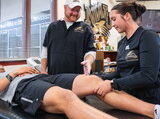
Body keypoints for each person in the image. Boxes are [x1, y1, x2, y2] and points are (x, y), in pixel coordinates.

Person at [0, 65, 160, 118]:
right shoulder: (10, 73)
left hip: (42, 77)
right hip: (20, 86)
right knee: (66, 96)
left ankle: (154, 111)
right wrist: (14, 73)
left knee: (96, 82)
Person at [94, 1, 160, 119]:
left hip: (149, 99)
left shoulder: (147, 36)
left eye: (114, 19)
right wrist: (98, 78)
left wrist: (113, 84)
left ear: (127, 16)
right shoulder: (121, 43)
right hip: (128, 98)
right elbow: (120, 72)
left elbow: (148, 75)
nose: (112, 24)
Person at [41, 0, 96, 75]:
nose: (75, 13)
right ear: (65, 7)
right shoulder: (53, 27)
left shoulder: (86, 28)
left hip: (76, 78)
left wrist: (88, 61)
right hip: (54, 76)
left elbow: (91, 50)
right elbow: (45, 49)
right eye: (72, 9)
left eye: (77, 10)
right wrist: (43, 70)